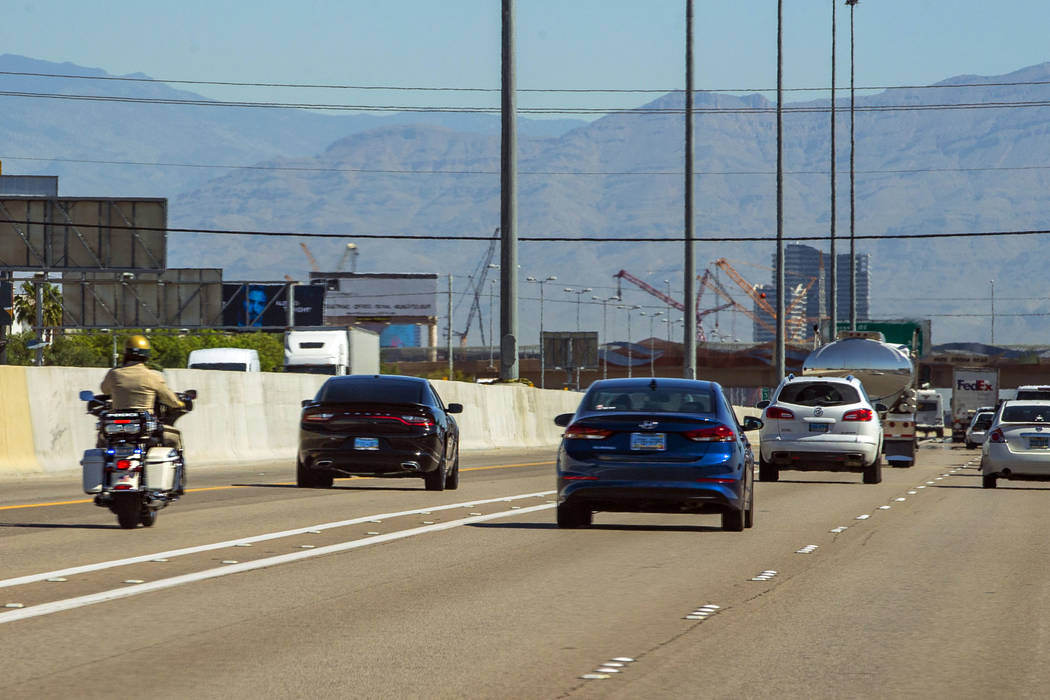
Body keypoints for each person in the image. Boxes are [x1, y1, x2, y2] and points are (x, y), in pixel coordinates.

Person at [101, 335, 185, 452]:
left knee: (102, 439)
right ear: (146, 355)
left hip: (116, 426)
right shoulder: (152, 375)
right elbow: (169, 398)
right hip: (144, 427)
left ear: (126, 352)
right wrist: (179, 403)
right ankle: (178, 469)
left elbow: (104, 390)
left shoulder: (114, 374)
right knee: (174, 437)